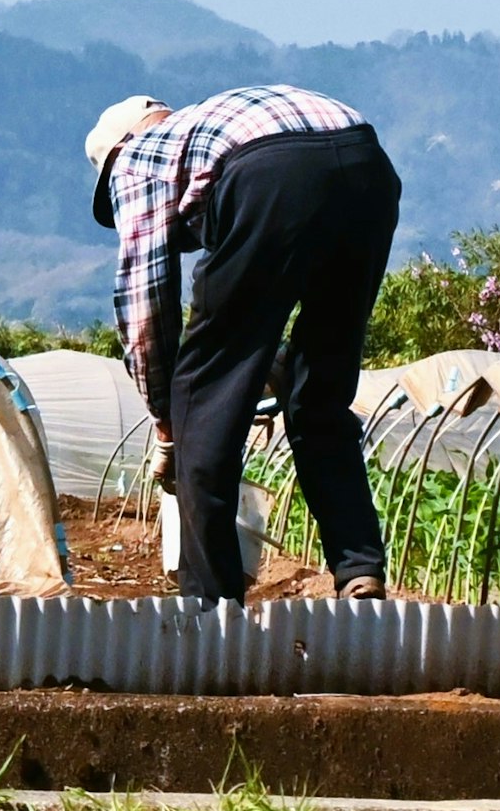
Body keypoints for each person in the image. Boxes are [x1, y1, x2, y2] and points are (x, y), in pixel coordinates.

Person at [88, 84, 399, 603]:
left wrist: (171, 424)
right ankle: (358, 568)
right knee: (319, 392)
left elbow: (145, 307)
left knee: (202, 397)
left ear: (117, 150)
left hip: (271, 175)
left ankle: (210, 602)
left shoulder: (139, 157)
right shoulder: (211, 123)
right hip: (367, 166)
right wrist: (265, 362)